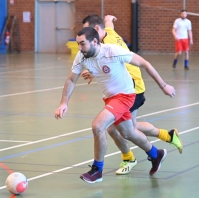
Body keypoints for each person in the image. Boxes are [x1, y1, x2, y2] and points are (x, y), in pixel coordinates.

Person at [55, 27, 176, 184]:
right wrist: (64, 102)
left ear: (95, 41)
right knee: (128, 133)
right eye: (78, 44)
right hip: (109, 98)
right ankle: (156, 154)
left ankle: (97, 170)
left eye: (82, 44)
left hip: (125, 95)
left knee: (98, 126)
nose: (79, 47)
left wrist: (164, 86)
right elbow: (71, 79)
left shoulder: (112, 51)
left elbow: (144, 63)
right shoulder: (82, 56)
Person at [81, 14, 183, 175]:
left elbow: (121, 63)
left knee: (116, 129)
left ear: (95, 30)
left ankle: (130, 158)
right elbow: (109, 25)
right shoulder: (106, 32)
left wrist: (163, 85)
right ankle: (167, 137)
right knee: (128, 127)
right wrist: (109, 18)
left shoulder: (108, 45)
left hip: (131, 86)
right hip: (127, 85)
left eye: (87, 31)